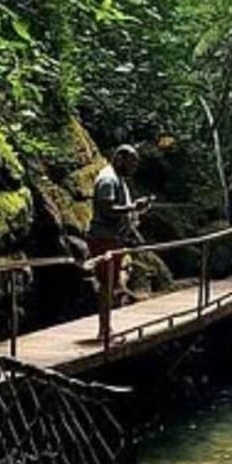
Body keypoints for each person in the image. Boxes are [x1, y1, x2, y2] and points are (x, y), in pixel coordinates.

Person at [87, 144, 151, 343]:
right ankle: (104, 331)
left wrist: (136, 209)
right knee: (107, 284)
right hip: (104, 238)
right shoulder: (108, 179)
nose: (134, 167)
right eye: (132, 162)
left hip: (113, 238)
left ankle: (108, 328)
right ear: (120, 159)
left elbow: (118, 207)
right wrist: (133, 207)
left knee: (111, 283)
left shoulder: (118, 178)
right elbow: (107, 209)